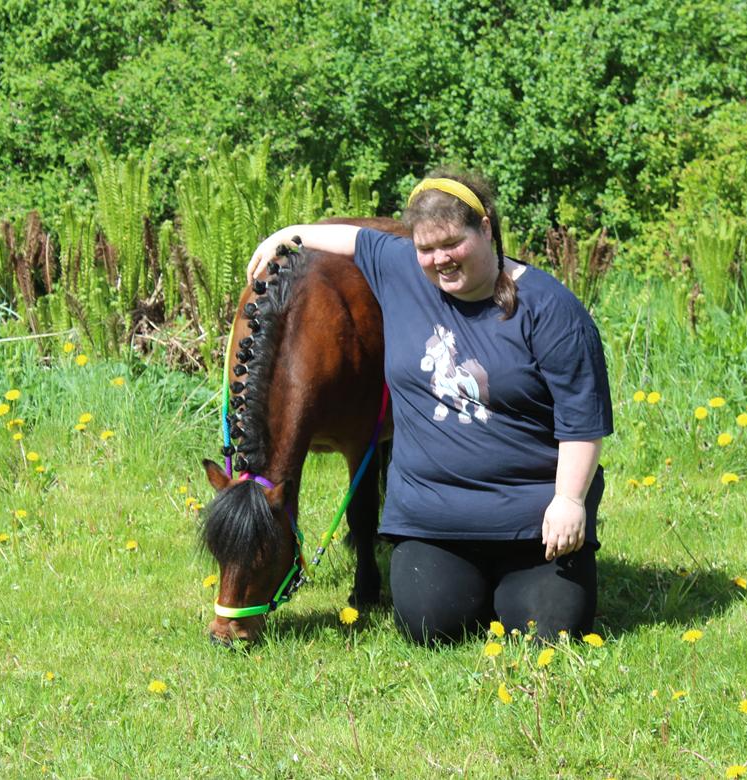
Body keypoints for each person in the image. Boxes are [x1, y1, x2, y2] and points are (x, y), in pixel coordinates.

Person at [247, 170, 613, 644]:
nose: (439, 259)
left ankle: (519, 581)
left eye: (451, 243)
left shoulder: (550, 309)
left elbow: (581, 421)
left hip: (533, 522)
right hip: (435, 520)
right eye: (425, 249)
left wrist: (568, 500)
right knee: (428, 626)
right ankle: (474, 585)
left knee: (551, 631)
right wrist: (285, 237)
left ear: (485, 228)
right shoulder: (402, 271)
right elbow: (355, 238)